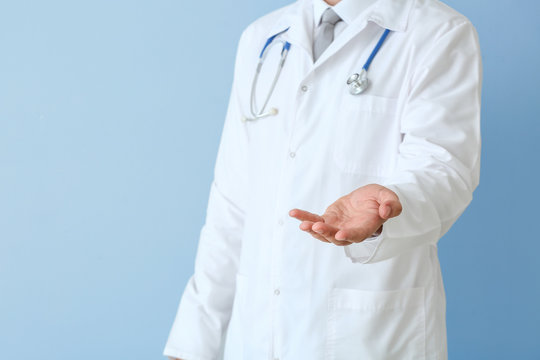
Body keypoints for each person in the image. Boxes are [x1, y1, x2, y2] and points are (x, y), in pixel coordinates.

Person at [163, 0, 482, 358]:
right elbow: (232, 203)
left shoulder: (436, 32)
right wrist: (193, 345)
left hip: (370, 336)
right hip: (256, 337)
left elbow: (444, 167)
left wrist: (388, 202)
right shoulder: (262, 37)